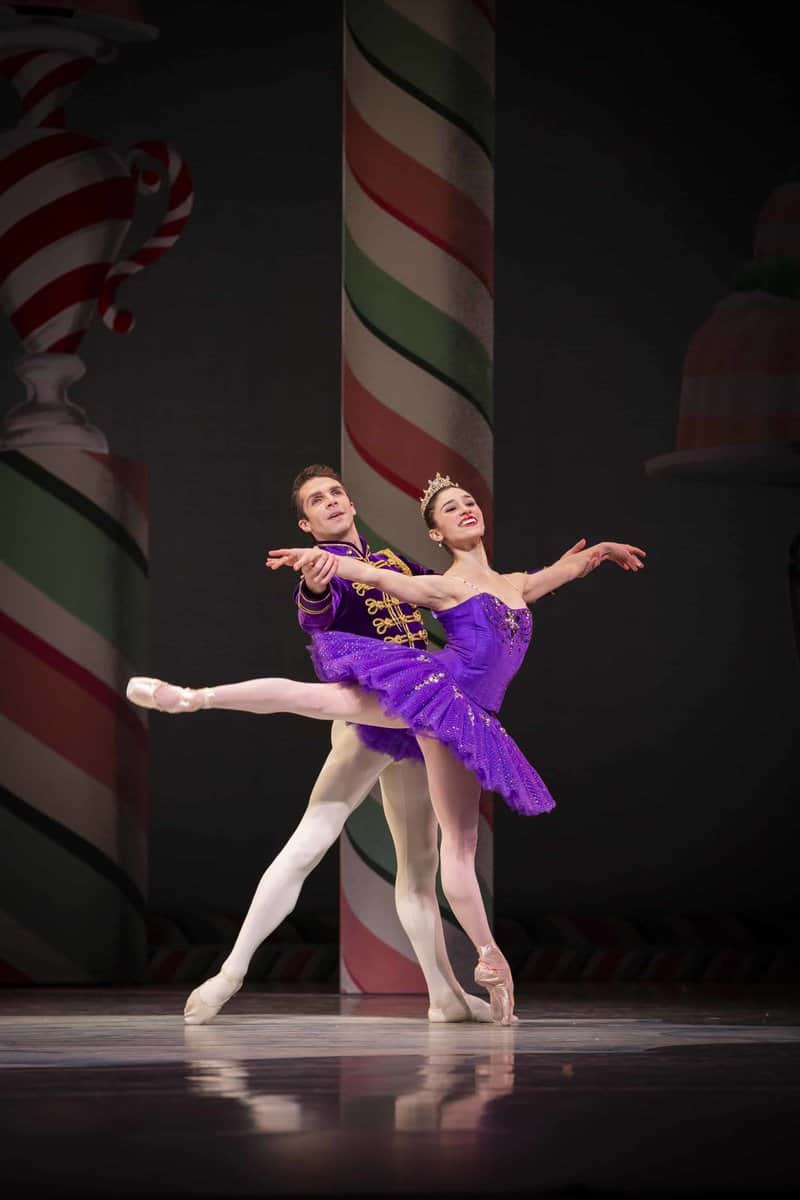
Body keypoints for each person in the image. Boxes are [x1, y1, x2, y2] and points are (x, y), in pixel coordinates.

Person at [128, 474, 645, 1023]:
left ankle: (444, 994)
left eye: (334, 494)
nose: (329, 503)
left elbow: (454, 591)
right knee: (311, 839)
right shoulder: (320, 566)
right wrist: (317, 575)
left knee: (420, 866)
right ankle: (230, 971)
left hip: (428, 709)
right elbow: (318, 612)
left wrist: (574, 566)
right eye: (315, 502)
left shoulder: (398, 563)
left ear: (352, 503)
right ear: (305, 523)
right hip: (376, 703)